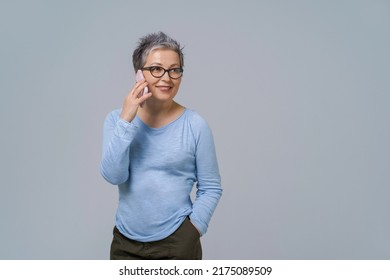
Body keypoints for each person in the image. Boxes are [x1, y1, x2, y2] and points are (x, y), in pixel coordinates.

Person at [100, 31, 222, 260]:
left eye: (174, 70)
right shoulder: (116, 120)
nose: (166, 78)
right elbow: (113, 175)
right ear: (138, 74)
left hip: (177, 242)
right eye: (156, 69)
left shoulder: (196, 125)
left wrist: (193, 230)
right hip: (125, 243)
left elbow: (211, 187)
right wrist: (126, 119)